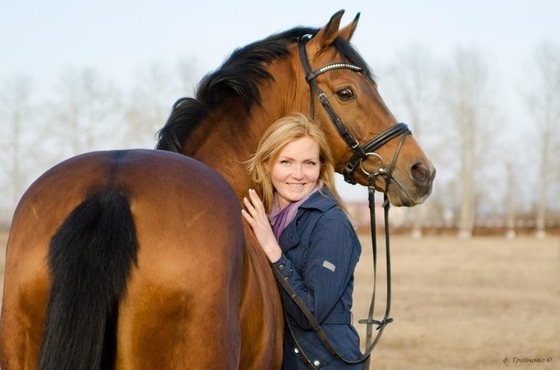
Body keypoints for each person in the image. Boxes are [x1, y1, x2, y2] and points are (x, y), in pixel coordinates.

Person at [241, 114, 364, 369]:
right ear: (266, 164)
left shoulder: (332, 224)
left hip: (324, 363)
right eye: (286, 162)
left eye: (309, 163)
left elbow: (310, 312)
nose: (298, 174)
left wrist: (272, 249)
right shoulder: (265, 216)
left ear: (320, 167)